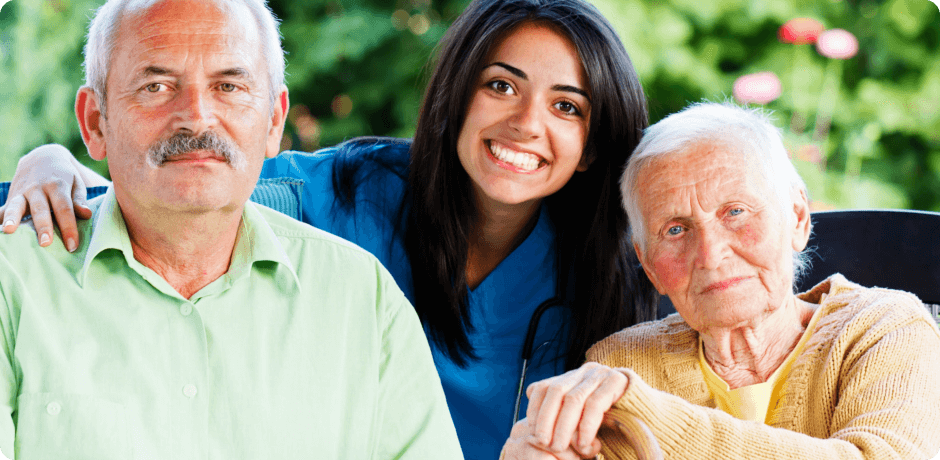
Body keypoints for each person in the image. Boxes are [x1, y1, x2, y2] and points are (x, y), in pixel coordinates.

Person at [0, 0, 660, 457]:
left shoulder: (615, 273)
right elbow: (194, 176)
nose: (525, 124)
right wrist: (54, 163)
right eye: (501, 86)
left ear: (595, 142)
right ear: (459, 93)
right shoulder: (353, 195)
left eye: (567, 106)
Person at [501, 102, 940, 460]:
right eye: (675, 230)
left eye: (735, 212)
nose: (710, 255)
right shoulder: (622, 363)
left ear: (797, 218)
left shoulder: (887, 329)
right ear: (650, 265)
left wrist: (649, 417)